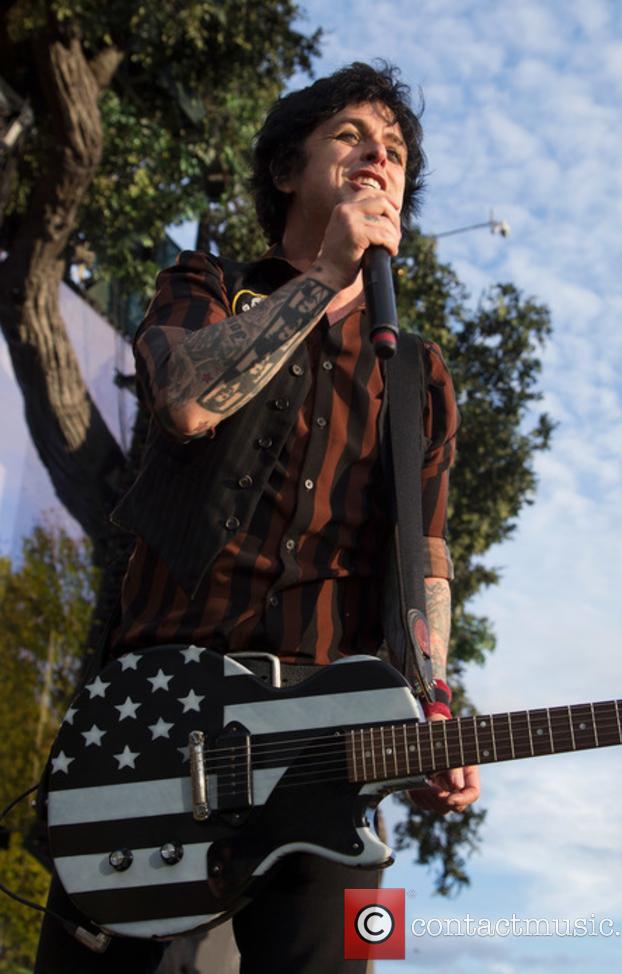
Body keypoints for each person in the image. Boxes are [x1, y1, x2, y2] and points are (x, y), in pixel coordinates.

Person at [35, 61, 479, 974]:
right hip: (156, 724)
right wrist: (323, 274)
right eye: (353, 137)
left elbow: (424, 559)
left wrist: (434, 698)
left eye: (395, 152)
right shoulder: (203, 287)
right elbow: (188, 401)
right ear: (287, 170)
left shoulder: (418, 374)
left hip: (331, 748)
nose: (378, 160)